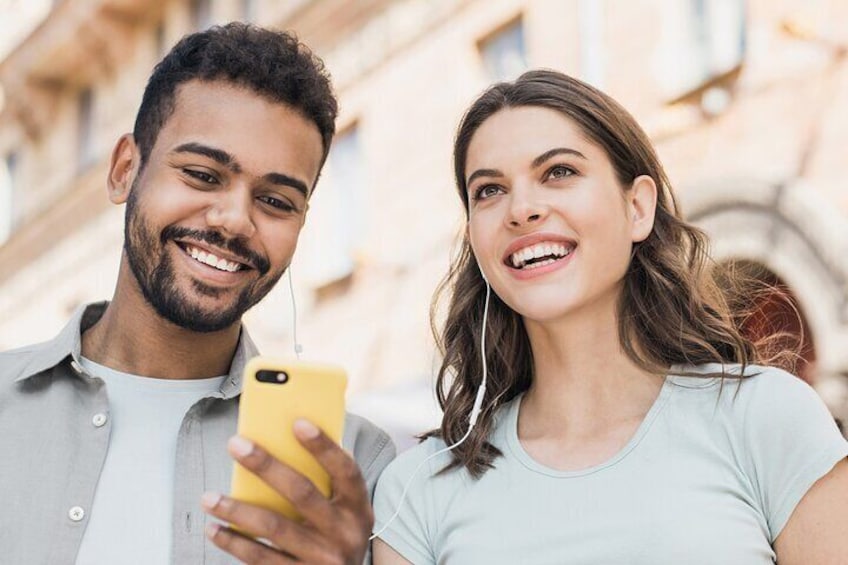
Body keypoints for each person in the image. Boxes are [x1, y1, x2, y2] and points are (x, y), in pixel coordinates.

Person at [372, 70, 848, 564]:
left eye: (558, 172)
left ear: (638, 206)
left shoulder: (767, 419)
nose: (522, 209)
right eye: (489, 190)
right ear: (474, 236)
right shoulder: (418, 491)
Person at [0, 23, 395, 564]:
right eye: (203, 175)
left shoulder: (357, 466)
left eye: (276, 201)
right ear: (123, 171)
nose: (234, 220)